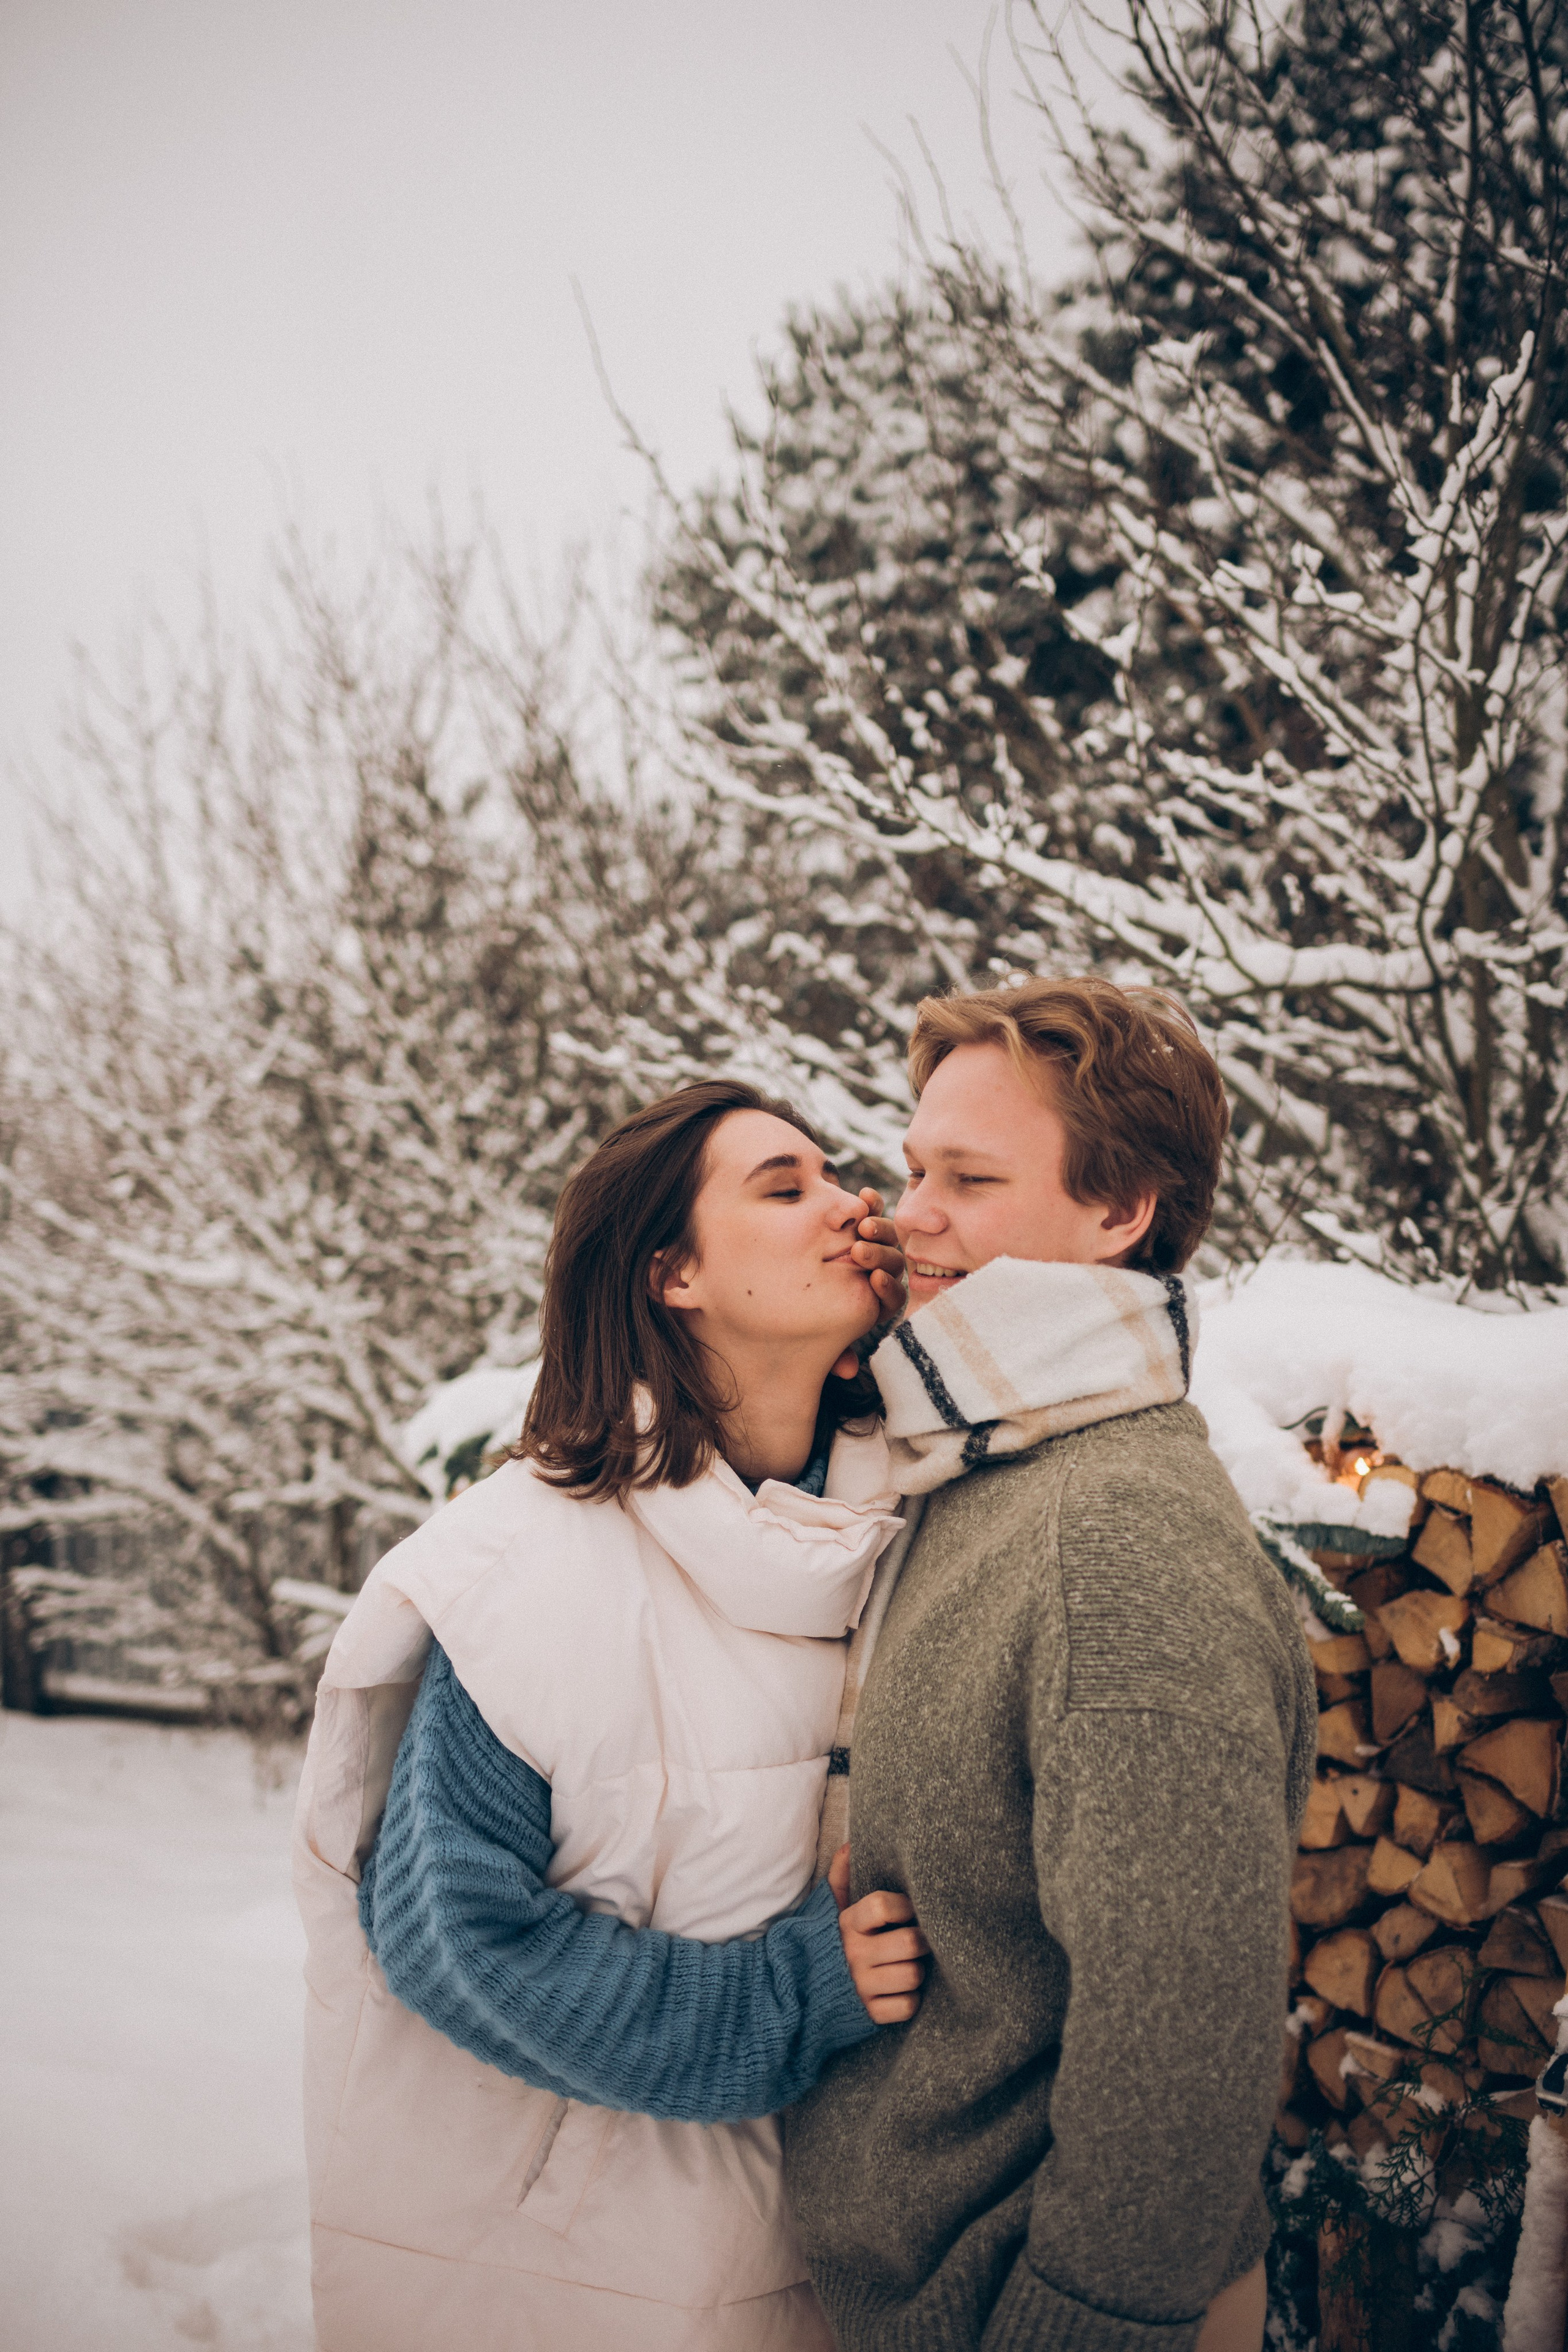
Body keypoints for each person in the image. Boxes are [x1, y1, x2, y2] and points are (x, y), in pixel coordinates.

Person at [292, 1079, 929, 2352]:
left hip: (819, 2258)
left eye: (838, 1173)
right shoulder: (526, 1567)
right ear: (672, 1276)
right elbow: (455, 1939)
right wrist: (790, 1995)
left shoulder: (916, 1534)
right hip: (548, 2274)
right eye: (784, 1186)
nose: (851, 1204)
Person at [785, 977, 1316, 2352]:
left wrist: (1075, 2324)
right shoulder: (981, 1467)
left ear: (1121, 1208)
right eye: (915, 1168)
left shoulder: (1117, 1537)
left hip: (1034, 2304)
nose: (910, 1214)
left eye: (969, 1179)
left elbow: (1180, 2040)